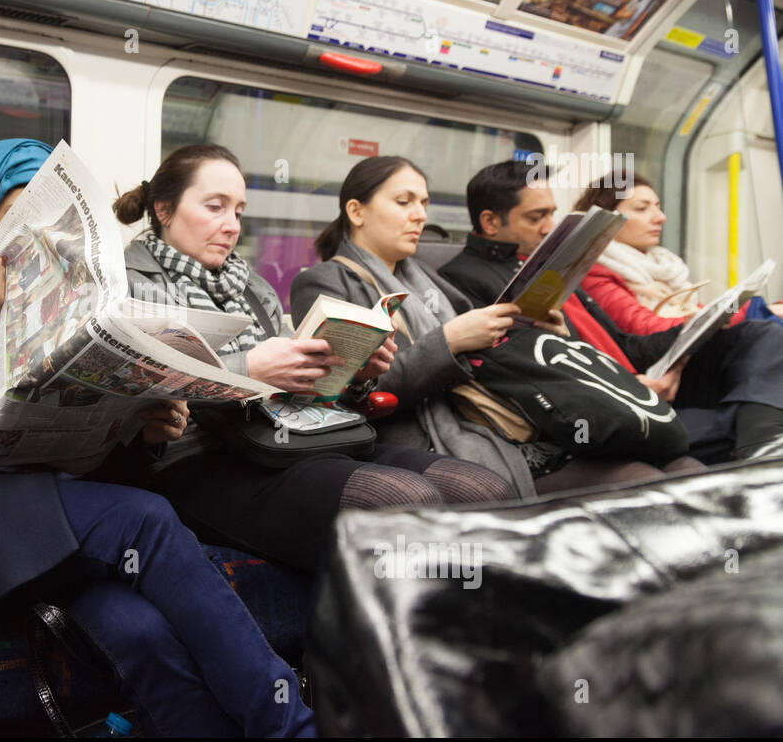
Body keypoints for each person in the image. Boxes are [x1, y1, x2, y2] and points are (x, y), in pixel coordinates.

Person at [0, 138, 314, 737]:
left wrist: (142, 427)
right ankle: (290, 727)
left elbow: (86, 447)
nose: (30, 235)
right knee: (148, 519)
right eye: (16, 213)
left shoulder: (67, 296)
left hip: (49, 514)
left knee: (140, 630)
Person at [115, 144, 515, 569]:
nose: (231, 226)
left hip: (289, 439)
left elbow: (308, 391)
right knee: (405, 501)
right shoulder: (128, 286)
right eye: (215, 208)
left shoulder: (253, 287)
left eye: (238, 212)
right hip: (203, 459)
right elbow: (125, 403)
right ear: (163, 209)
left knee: (482, 488)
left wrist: (353, 372)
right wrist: (249, 370)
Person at [291, 155, 703, 497]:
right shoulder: (325, 282)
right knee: (643, 484)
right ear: (356, 211)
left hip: (504, 419)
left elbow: (492, 356)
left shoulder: (429, 279)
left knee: (685, 468)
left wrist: (537, 330)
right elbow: (342, 396)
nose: (419, 215)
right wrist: (450, 341)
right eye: (404, 202)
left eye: (424, 202)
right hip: (438, 438)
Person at [440, 160, 783, 463]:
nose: (549, 227)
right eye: (536, 217)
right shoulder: (466, 281)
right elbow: (529, 374)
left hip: (635, 376)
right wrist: (630, 385)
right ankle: (762, 449)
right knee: (738, 418)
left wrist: (702, 324)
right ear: (490, 222)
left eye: (551, 214)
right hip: (605, 401)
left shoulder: (546, 265)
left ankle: (762, 446)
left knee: (763, 335)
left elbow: (625, 343)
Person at [577, 170, 783, 333]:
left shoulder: (666, 267)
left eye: (658, 207)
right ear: (606, 218)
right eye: (642, 209)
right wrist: (750, 311)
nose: (660, 217)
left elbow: (698, 314)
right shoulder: (593, 271)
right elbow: (645, 328)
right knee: (765, 331)